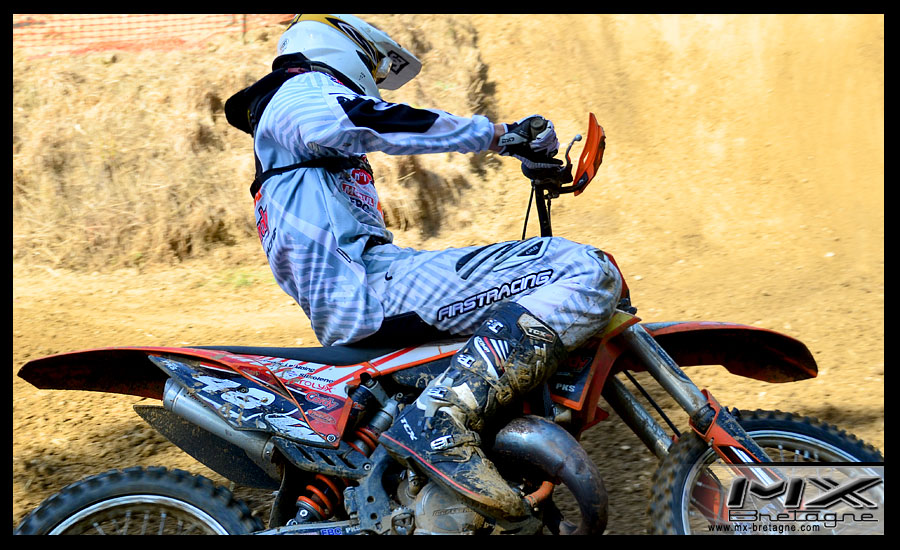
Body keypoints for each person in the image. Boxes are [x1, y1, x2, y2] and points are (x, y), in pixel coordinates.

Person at [225, 14, 622, 520]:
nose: (372, 80)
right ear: (343, 47)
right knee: (584, 269)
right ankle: (441, 422)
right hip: (371, 289)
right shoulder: (298, 92)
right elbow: (373, 121)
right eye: (372, 66)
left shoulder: (288, 125)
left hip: (365, 288)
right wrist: (500, 135)